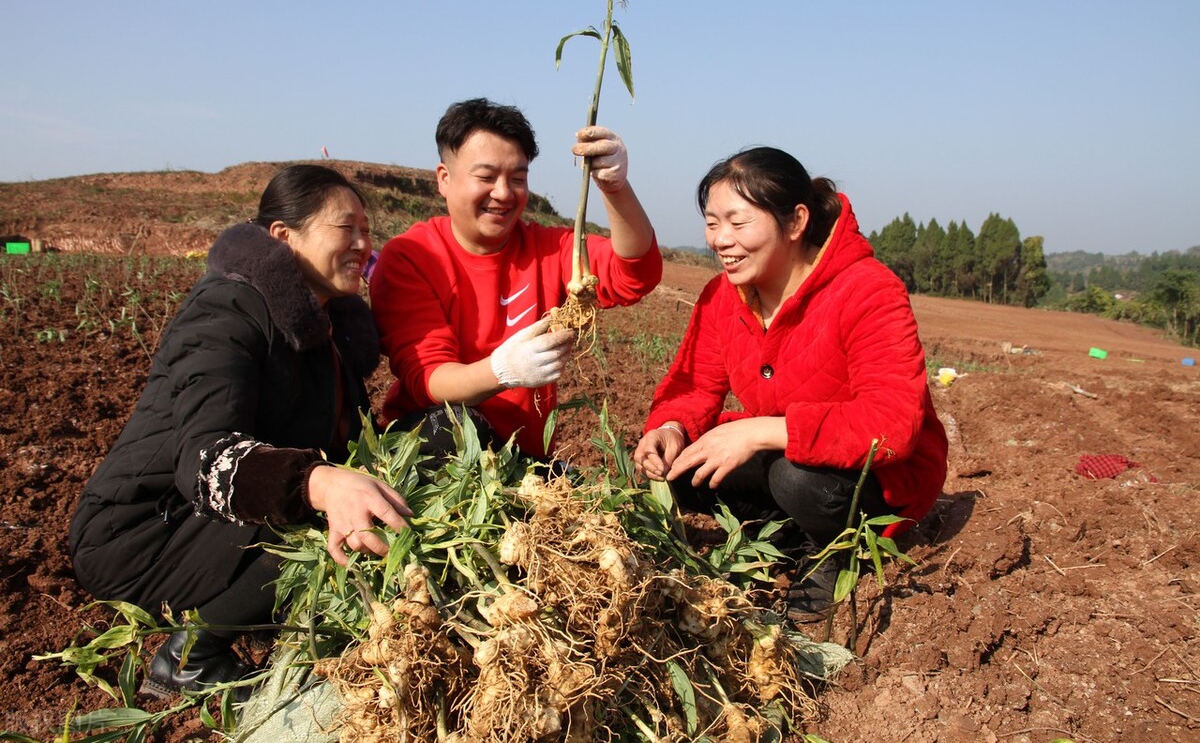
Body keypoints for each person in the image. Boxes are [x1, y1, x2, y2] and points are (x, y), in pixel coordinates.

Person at [68, 164, 413, 697]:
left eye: (368, 231)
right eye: (347, 229)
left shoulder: (330, 327)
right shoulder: (227, 311)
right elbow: (205, 460)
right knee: (321, 512)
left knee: (417, 459)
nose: (364, 245)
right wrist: (318, 482)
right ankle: (191, 654)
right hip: (147, 533)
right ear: (283, 236)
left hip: (216, 526)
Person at [633, 147, 948, 623]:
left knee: (795, 479)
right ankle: (784, 540)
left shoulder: (868, 290)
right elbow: (696, 384)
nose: (720, 239)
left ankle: (837, 554)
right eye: (712, 222)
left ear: (796, 221)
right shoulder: (723, 296)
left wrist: (758, 432)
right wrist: (672, 428)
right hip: (790, 453)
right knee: (677, 465)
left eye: (737, 224)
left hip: (877, 477)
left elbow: (893, 423)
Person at [370, 98, 662, 459]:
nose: (504, 193)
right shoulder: (411, 256)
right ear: (444, 179)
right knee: (456, 426)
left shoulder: (550, 249)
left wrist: (616, 189)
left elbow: (634, 273)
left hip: (522, 458)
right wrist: (502, 371)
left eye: (518, 178)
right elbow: (429, 380)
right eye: (486, 177)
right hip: (434, 452)